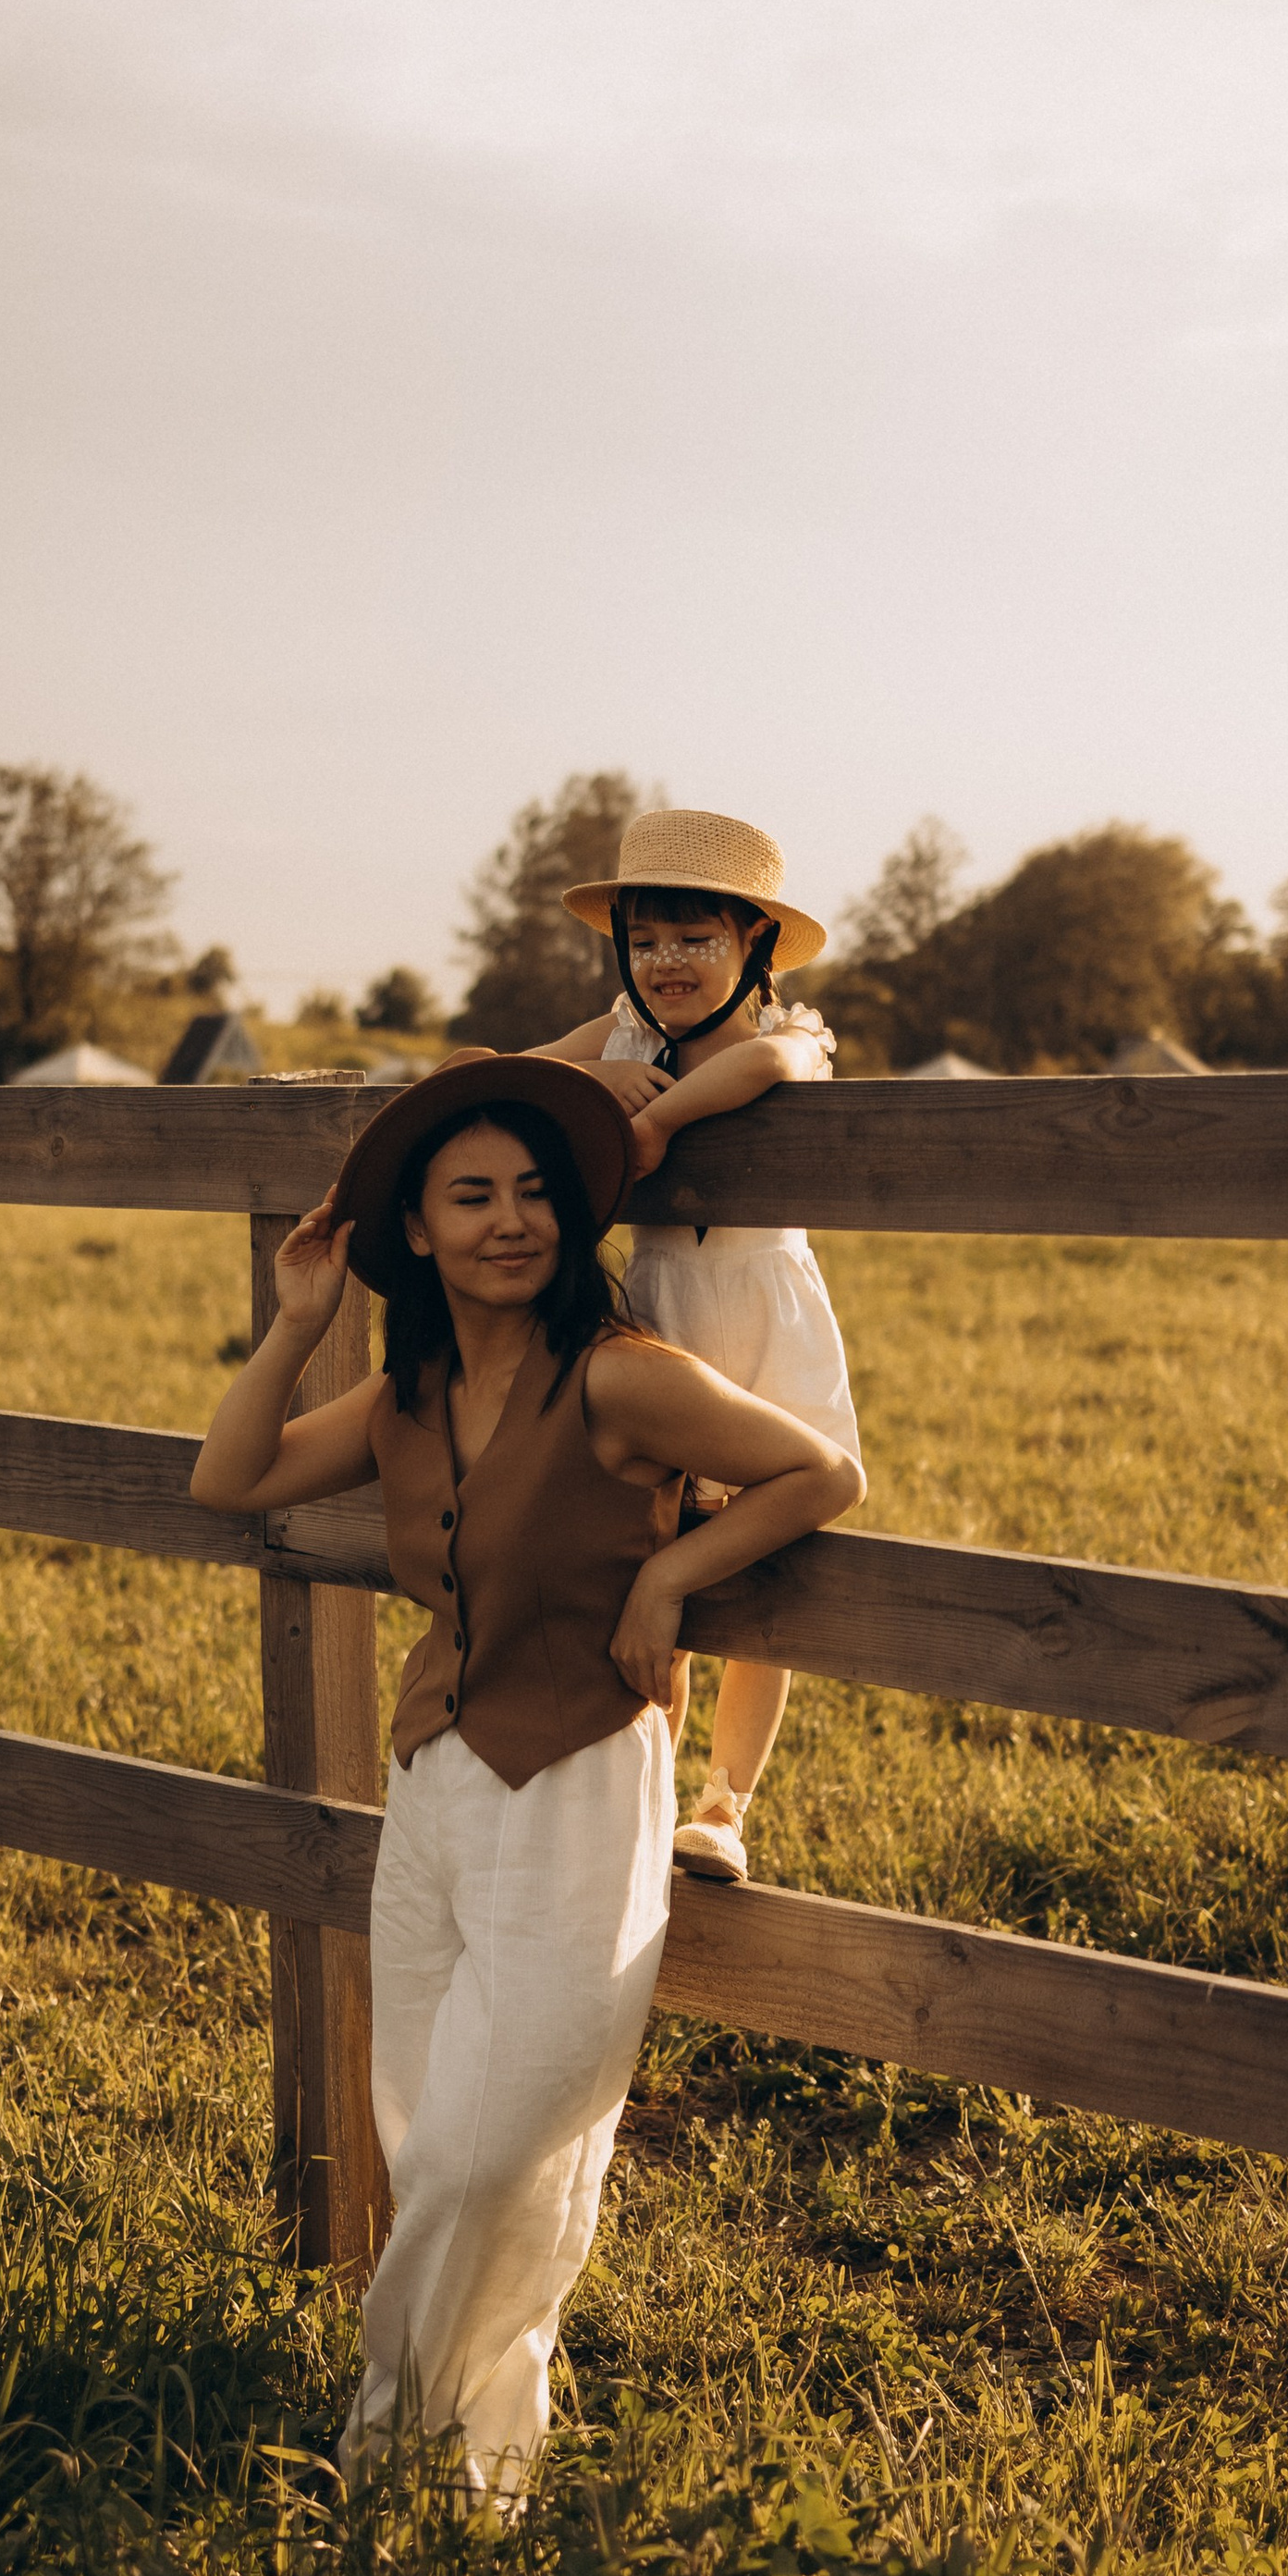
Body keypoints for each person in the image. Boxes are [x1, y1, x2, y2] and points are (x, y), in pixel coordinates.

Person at [190, 1054, 862, 2507]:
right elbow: (229, 1479)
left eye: (538, 1192)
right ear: (415, 1234)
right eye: (472, 1196)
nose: (513, 1220)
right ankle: (478, 2471)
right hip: (432, 1784)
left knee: (503, 2153)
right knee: (426, 2132)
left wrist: (676, 1570)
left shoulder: (618, 1372)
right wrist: (302, 1320)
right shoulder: (402, 1391)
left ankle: (385, 2451)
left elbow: (822, 1475)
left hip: (580, 1778)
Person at [527, 807, 861, 1887]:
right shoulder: (620, 1034)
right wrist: (594, 1083)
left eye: (696, 937)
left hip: (765, 1309)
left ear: (753, 943)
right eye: (646, 939)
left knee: (769, 1556)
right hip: (661, 1308)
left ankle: (726, 1802)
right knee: (647, 1532)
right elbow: (514, 1075)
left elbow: (773, 1067)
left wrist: (657, 1124)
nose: (666, 962)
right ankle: (651, 1789)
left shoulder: (789, 1029)